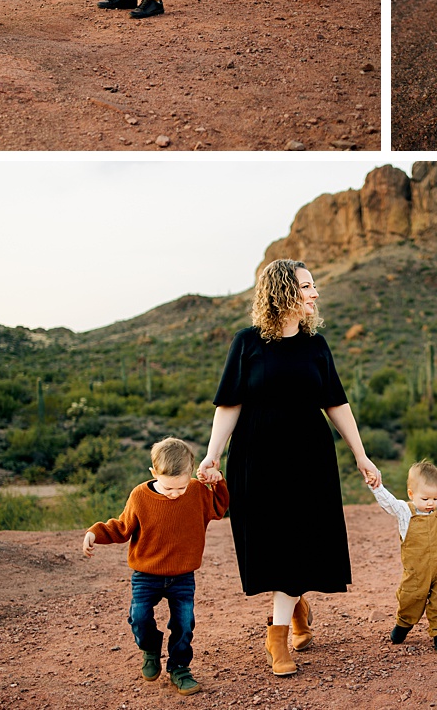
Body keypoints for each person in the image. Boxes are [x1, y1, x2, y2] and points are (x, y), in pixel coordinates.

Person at [198, 259, 382, 677]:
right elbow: (229, 403)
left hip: (308, 457)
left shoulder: (317, 345)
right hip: (255, 456)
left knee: (297, 542)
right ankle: (295, 604)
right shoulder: (247, 343)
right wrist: (212, 454)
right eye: (307, 286)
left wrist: (360, 453)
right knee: (269, 544)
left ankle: (276, 638)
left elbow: (336, 402)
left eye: (314, 286)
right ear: (283, 291)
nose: (315, 293)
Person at [82, 437, 229, 696]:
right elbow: (121, 527)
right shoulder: (140, 496)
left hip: (183, 576)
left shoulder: (196, 492)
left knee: (184, 624)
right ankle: (150, 649)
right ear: (153, 473)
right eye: (168, 488)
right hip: (146, 575)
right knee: (139, 618)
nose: (175, 494)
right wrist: (95, 533)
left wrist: (217, 482)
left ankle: (179, 668)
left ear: (191, 473)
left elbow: (220, 508)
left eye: (180, 488)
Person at [368, 459, 437, 655]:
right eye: (426, 499)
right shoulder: (405, 511)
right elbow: (389, 502)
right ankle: (403, 624)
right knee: (411, 598)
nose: (431, 504)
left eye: (435, 498)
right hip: (415, 572)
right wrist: (377, 486)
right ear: (411, 494)